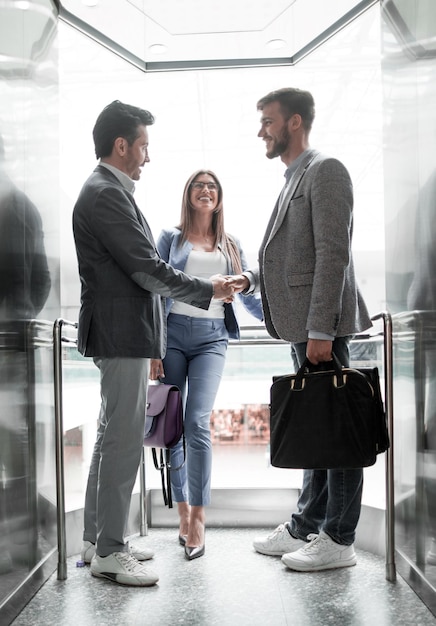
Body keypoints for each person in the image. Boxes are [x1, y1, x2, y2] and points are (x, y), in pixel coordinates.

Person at [72, 101, 233, 587]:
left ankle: (98, 537)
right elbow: (147, 268)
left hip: (124, 333)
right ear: (121, 145)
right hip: (121, 334)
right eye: (143, 145)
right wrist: (208, 290)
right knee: (121, 441)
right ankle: (109, 551)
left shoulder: (112, 191)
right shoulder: (105, 194)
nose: (148, 156)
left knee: (110, 438)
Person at [228, 88, 372, 572]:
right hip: (304, 329)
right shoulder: (296, 177)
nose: (261, 131)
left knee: (338, 432)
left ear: (293, 122)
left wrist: (320, 331)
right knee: (318, 427)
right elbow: (288, 256)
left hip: (321, 328)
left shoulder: (326, 170)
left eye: (267, 121)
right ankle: (308, 524)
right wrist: (248, 279)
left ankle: (339, 537)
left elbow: (333, 255)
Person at [150, 169, 263, 560]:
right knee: (175, 425)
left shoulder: (229, 244)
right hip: (173, 336)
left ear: (219, 198)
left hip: (213, 337)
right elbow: (154, 288)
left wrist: (268, 308)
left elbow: (249, 289)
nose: (206, 190)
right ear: (189, 194)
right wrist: (153, 347)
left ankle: (198, 517)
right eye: (199, 185)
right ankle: (182, 513)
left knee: (197, 419)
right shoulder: (170, 238)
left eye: (212, 186)